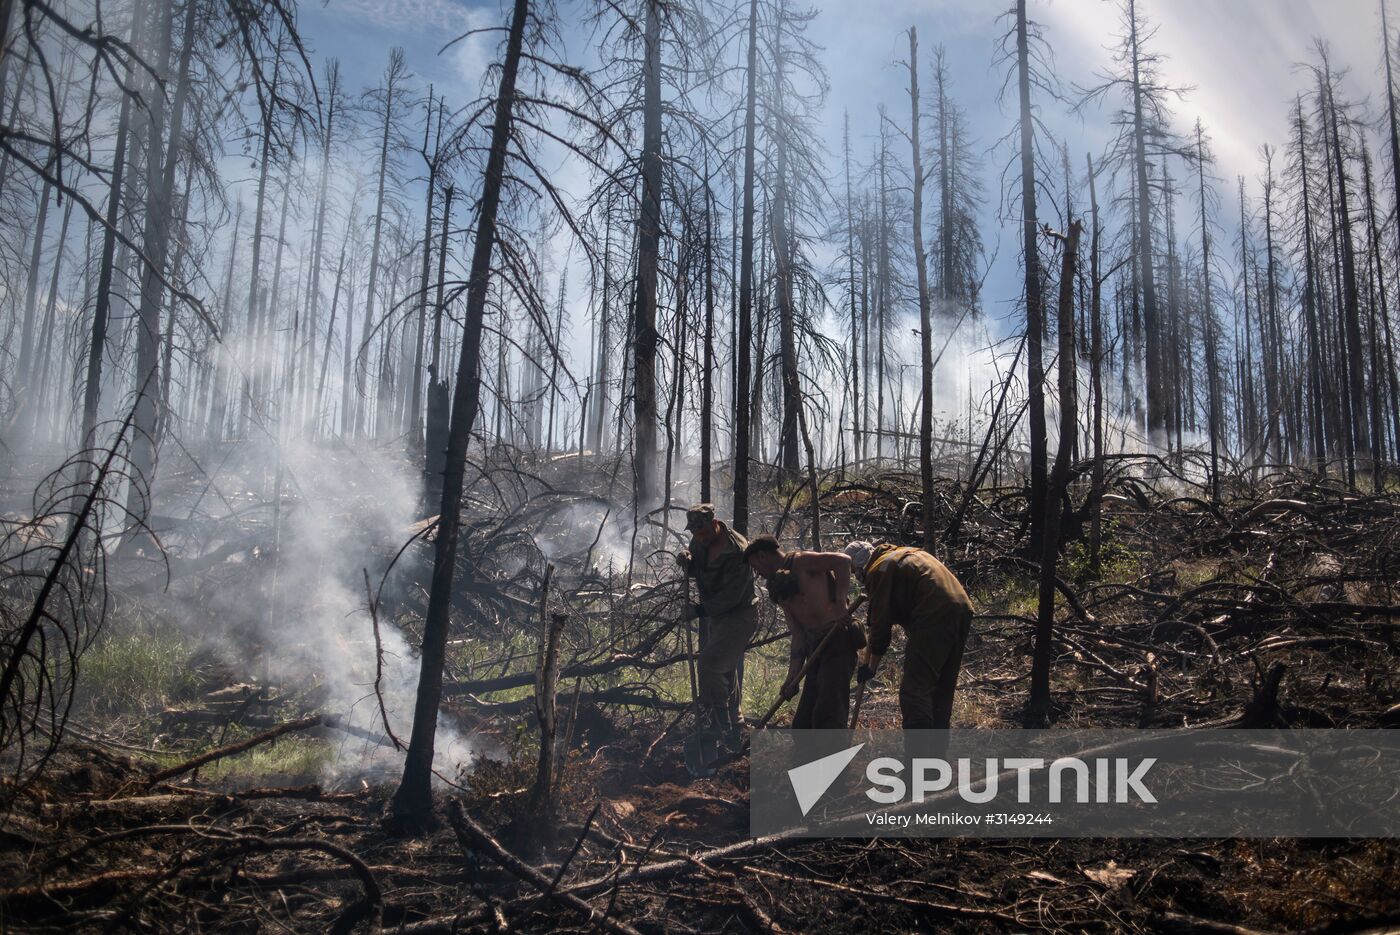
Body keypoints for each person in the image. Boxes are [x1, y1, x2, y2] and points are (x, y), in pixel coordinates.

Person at [844, 540, 973, 732]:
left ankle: (917, 754)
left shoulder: (879, 569)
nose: (856, 576)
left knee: (914, 691)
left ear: (860, 564)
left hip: (933, 614)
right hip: (962, 609)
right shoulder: (904, 553)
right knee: (942, 686)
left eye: (854, 571)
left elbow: (880, 625)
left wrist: (871, 667)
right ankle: (936, 753)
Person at [745, 536, 861, 729]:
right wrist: (792, 678)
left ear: (763, 556)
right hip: (815, 647)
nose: (757, 572)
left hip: (837, 638)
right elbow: (798, 635)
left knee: (828, 713)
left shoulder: (802, 561)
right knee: (803, 724)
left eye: (755, 566)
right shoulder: (779, 585)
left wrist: (841, 604)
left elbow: (843, 561)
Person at [676, 504, 757, 743]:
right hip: (718, 616)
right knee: (725, 669)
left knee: (710, 664)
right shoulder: (699, 541)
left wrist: (698, 610)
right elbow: (698, 570)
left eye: (701, 532)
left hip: (739, 615)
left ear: (714, 524)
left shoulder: (737, 550)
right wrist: (686, 562)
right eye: (694, 533)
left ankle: (722, 728)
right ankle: (735, 724)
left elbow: (731, 596)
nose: (698, 538)